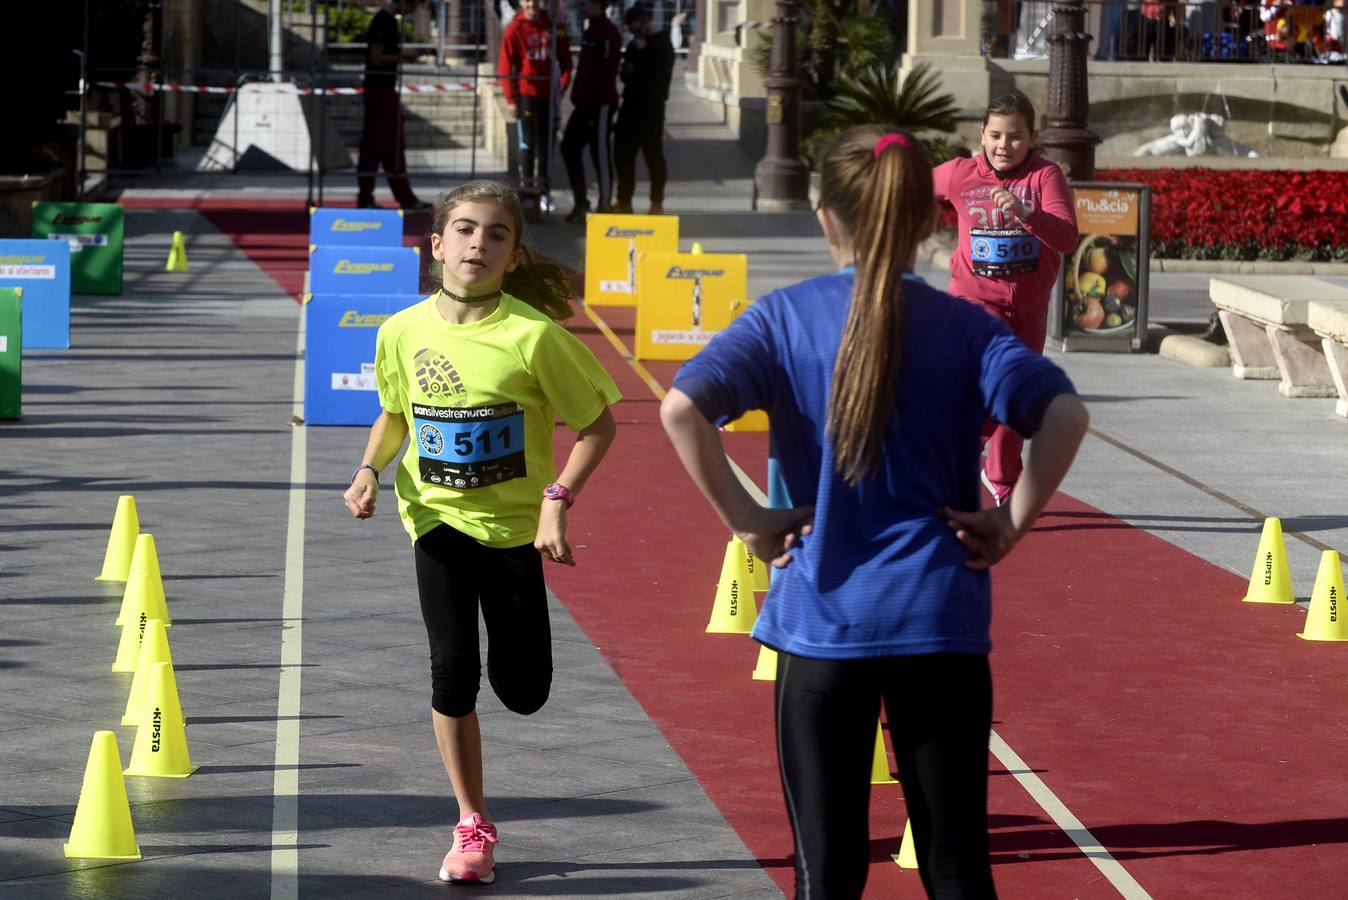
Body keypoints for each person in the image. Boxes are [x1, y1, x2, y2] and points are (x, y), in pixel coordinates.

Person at [660, 125, 1090, 899]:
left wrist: (746, 517)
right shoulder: (969, 328)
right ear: (931, 221)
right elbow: (1064, 414)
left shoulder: (783, 320)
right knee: (957, 865)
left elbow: (681, 408)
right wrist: (1012, 520)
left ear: (826, 218)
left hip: (823, 621)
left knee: (828, 873)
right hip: (940, 618)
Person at [343, 180, 620, 884]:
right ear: (435, 245)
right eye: (464, 229)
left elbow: (597, 426)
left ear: (513, 254)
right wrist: (371, 469)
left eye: (496, 234)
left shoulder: (534, 337)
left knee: (523, 689)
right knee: (451, 670)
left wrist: (558, 497)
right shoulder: (401, 331)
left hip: (514, 531)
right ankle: (472, 821)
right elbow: (397, 415)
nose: (478, 243)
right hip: (435, 518)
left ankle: (511, 681)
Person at [933, 90, 1078, 507]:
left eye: (1015, 137)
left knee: (1018, 397)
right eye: (995, 135)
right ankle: (962, 438)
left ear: (1031, 138)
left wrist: (1027, 213)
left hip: (1029, 310)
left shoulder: (1045, 177)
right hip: (974, 301)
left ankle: (1000, 474)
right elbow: (908, 184)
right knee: (997, 367)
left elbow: (1067, 238)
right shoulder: (961, 174)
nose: (1003, 146)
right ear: (981, 134)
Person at [357, 0, 431, 211]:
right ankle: (366, 198)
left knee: (394, 145)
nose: (413, 9)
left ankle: (405, 198)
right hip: (378, 90)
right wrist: (403, 56)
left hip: (385, 89)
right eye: (413, 5)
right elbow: (376, 57)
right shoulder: (382, 22)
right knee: (374, 144)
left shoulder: (389, 21)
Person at [499, 0, 572, 204]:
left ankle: (544, 192)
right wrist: (511, 99)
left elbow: (566, 61)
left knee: (547, 145)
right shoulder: (515, 28)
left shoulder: (554, 26)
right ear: (521, 3)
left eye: (534, 0)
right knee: (528, 143)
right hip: (527, 96)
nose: (531, 4)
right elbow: (505, 66)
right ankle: (528, 191)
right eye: (526, 0)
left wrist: (562, 87)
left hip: (549, 96)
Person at [560, 0, 622, 222]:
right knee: (568, 147)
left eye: (585, 4)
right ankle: (581, 201)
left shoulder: (608, 33)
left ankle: (605, 203)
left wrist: (595, 101)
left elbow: (607, 71)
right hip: (584, 104)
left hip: (600, 104)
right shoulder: (590, 30)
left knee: (600, 152)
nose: (582, 8)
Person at [612, 4, 675, 215]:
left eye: (638, 27)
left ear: (646, 22)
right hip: (630, 106)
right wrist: (630, 67)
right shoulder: (634, 45)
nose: (635, 33)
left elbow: (658, 76)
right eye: (631, 29)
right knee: (622, 154)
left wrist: (641, 57)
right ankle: (624, 200)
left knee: (653, 156)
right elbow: (626, 74)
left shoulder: (663, 44)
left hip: (651, 109)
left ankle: (656, 201)